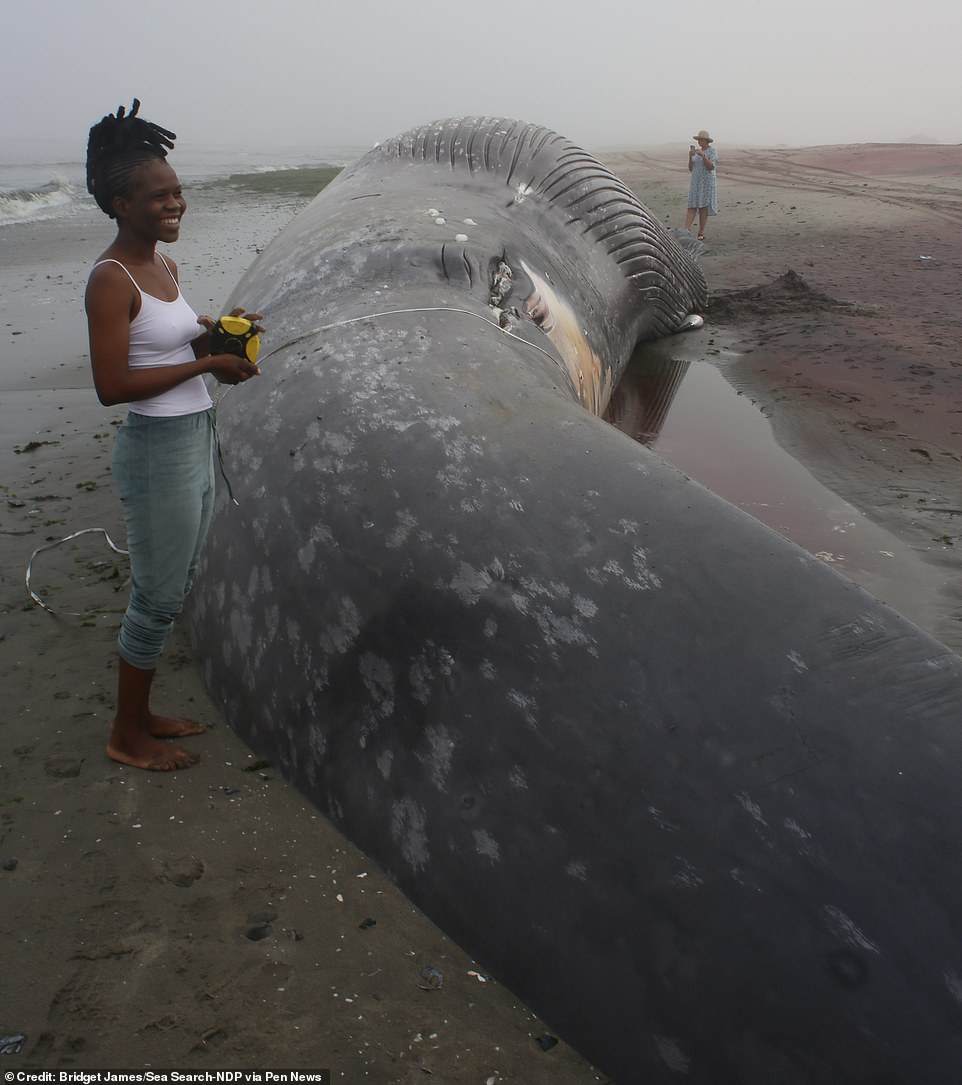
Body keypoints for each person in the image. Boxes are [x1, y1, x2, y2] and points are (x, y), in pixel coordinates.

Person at [84, 100, 262, 771]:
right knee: (156, 595)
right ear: (120, 201)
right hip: (156, 450)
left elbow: (177, 345)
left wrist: (222, 333)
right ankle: (125, 735)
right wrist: (212, 363)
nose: (175, 203)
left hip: (193, 435)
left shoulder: (165, 269)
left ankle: (142, 713)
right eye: (158, 196)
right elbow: (111, 386)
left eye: (179, 191)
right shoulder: (111, 279)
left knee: (177, 581)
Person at [685, 129, 718, 241]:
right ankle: (686, 230)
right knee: (692, 205)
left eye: (700, 139)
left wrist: (703, 156)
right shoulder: (696, 152)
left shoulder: (712, 151)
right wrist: (690, 157)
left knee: (704, 206)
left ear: (706, 141)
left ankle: (701, 232)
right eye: (698, 139)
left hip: (707, 182)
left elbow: (711, 167)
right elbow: (690, 168)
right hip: (696, 182)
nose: (699, 141)